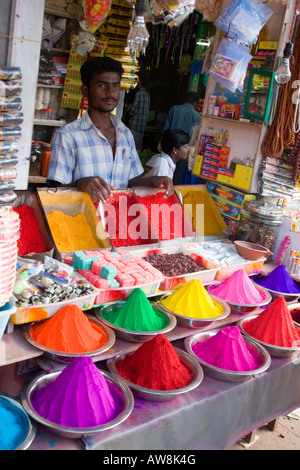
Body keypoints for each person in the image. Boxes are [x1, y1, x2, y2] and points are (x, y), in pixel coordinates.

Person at [47, 57, 173, 202]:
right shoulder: (68, 136)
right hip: (81, 220)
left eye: (115, 86)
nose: (110, 93)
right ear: (85, 91)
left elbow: (129, 182)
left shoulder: (125, 134)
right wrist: (80, 183)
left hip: (118, 219)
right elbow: (54, 193)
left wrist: (151, 181)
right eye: (102, 85)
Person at [163, 91, 201, 184]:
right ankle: (173, 192)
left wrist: (161, 143)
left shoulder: (174, 109)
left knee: (164, 170)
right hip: (183, 149)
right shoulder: (197, 116)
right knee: (177, 174)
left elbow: (165, 129)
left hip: (169, 146)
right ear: (195, 102)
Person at [127, 74, 150, 151]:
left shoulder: (139, 94)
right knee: (138, 150)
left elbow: (133, 110)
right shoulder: (147, 95)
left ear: (139, 82)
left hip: (134, 126)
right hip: (142, 127)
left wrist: (128, 111)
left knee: (130, 148)